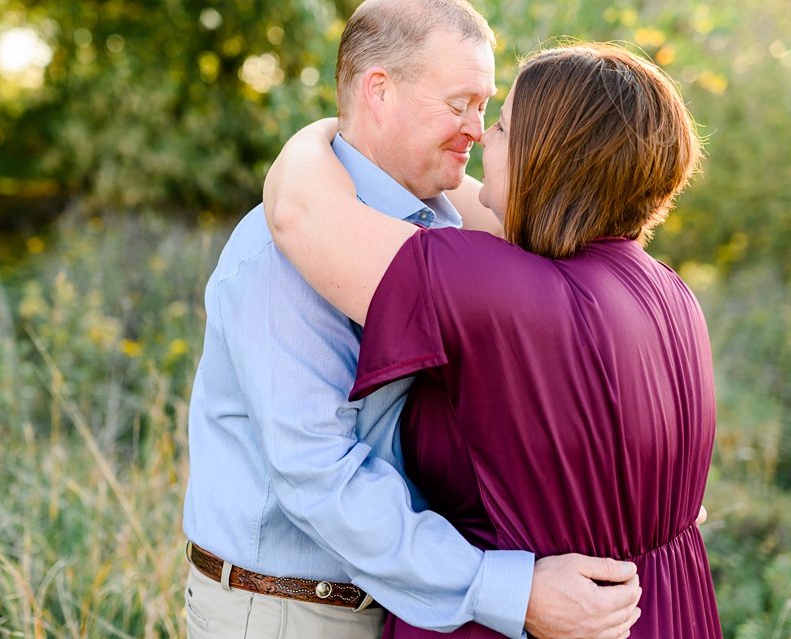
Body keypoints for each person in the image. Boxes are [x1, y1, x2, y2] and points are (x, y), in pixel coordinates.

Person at [182, 1, 643, 638]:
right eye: (461, 103)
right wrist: (504, 589)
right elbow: (319, 475)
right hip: (293, 611)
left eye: (486, 107)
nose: (478, 130)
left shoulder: (449, 239)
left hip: (405, 603)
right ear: (380, 90)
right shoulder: (283, 255)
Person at [262, 41, 722, 638]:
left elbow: (298, 210)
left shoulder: (500, 291)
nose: (482, 139)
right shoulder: (665, 292)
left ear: (546, 155)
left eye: (502, 126)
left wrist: (333, 131)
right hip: (664, 611)